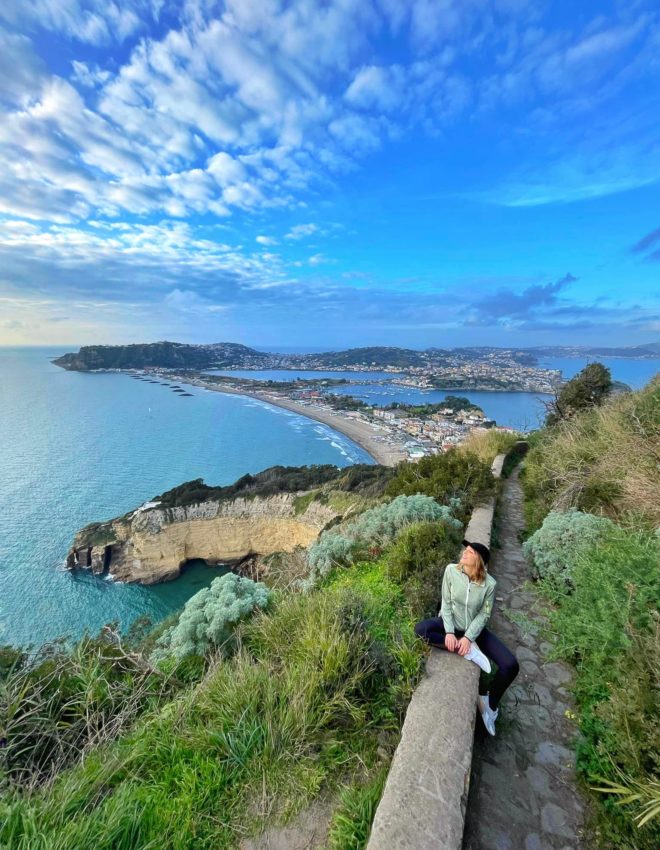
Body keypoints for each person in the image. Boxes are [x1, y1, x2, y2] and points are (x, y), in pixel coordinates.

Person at [414, 539, 519, 736]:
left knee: (511, 665)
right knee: (421, 629)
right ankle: (466, 652)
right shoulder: (451, 571)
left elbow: (484, 615)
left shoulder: (489, 584)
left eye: (469, 551)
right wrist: (451, 633)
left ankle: (489, 704)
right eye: (466, 550)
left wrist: (469, 637)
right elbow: (445, 603)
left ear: (478, 559)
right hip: (451, 624)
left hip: (474, 631)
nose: (464, 553)